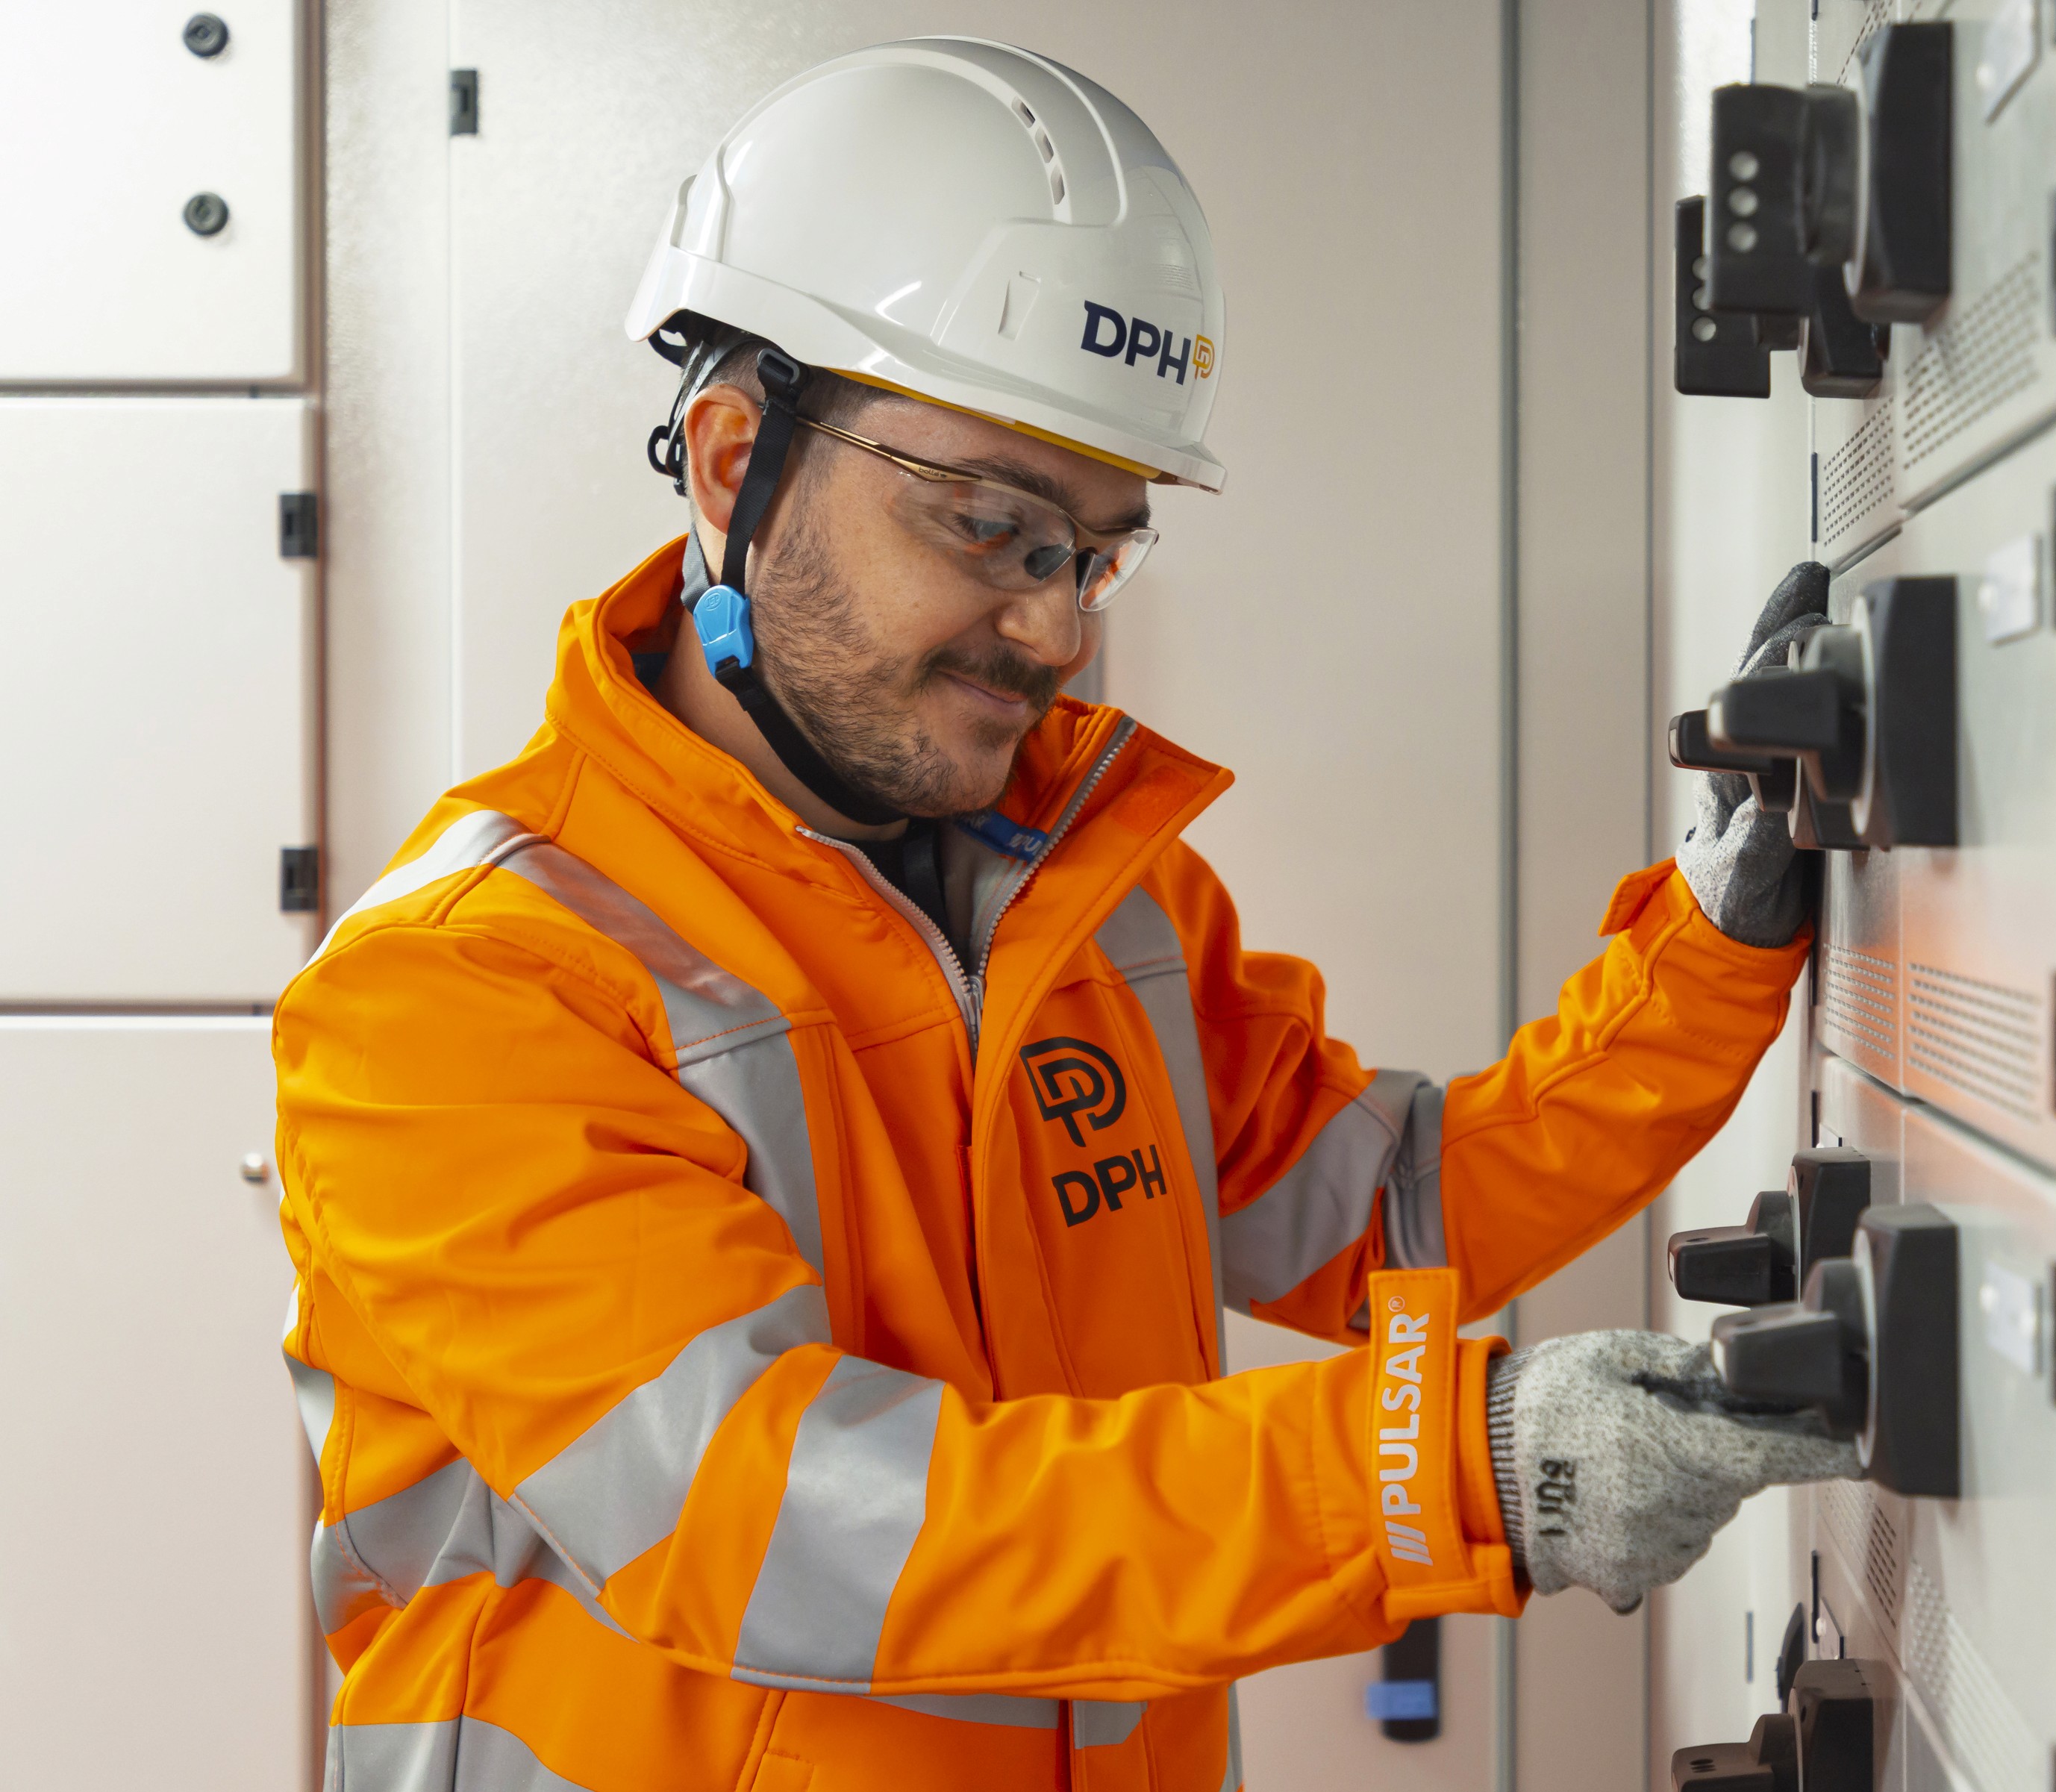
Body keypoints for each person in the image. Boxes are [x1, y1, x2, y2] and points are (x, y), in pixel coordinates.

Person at [276, 37, 1850, 1792]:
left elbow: (1393, 1211)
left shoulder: (1091, 899)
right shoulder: (466, 986)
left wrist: (1712, 951)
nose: (1057, 631)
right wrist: (1440, 1463)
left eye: (1096, 547)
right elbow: (770, 1519)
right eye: (988, 524)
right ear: (734, 463)